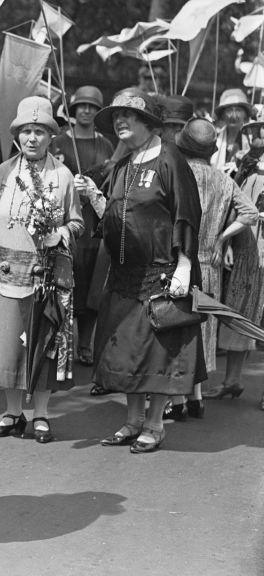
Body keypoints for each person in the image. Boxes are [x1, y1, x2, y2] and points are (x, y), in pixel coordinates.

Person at [75, 87, 206, 454]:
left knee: (156, 353)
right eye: (116, 116)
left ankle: (154, 425)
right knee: (126, 352)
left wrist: (184, 265)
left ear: (148, 123)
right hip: (123, 276)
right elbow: (116, 218)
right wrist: (96, 199)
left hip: (159, 273)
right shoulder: (124, 164)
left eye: (127, 116)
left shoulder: (170, 160)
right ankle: (132, 421)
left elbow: (186, 214)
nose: (120, 121)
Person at [0, 96, 84, 445]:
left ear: (51, 137)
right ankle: (13, 414)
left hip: (45, 277)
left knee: (42, 346)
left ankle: (41, 415)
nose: (32, 138)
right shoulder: (3, 172)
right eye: (26, 131)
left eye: (40, 131)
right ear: (17, 135)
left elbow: (77, 223)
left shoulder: (62, 176)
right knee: (8, 347)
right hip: (4, 274)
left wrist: (59, 233)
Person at [166, 119, 257, 419]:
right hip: (211, 264)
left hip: (180, 262)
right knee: (203, 330)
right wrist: (223, 236)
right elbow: (251, 213)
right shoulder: (223, 179)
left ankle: (178, 400)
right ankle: (198, 396)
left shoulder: (177, 174)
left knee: (177, 328)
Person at [49, 86, 116, 367]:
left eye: (92, 106)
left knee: (92, 283)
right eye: (82, 106)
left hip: (95, 224)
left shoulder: (106, 145)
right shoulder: (60, 142)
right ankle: (59, 339)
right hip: (67, 219)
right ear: (73, 109)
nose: (86, 110)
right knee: (66, 279)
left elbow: (112, 185)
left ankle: (86, 343)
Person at [211, 115, 264, 407]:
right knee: (238, 312)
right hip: (245, 248)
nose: (257, 135)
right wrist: (228, 241)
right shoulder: (245, 166)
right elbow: (232, 206)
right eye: (254, 130)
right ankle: (232, 380)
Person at [212, 88, 252, 176]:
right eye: (229, 110)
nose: (233, 116)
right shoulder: (214, 138)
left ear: (245, 114)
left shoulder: (252, 139)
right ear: (222, 115)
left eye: (238, 110)